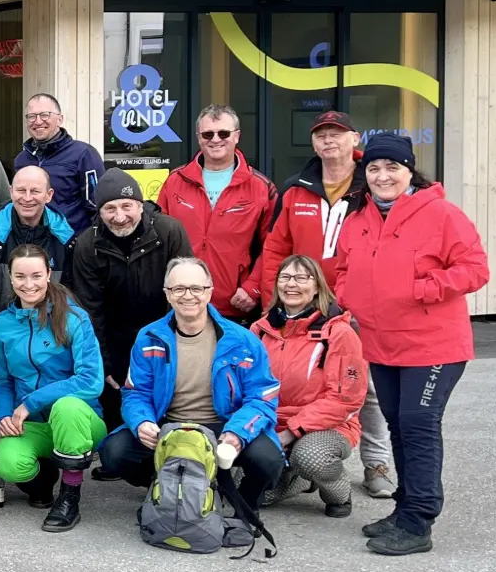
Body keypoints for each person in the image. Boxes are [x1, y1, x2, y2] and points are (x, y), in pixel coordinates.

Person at [334, 133, 489, 556]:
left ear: (409, 171)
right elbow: (343, 269)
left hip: (433, 346)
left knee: (418, 426)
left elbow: (475, 270)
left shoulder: (440, 214)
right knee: (398, 427)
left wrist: (422, 287)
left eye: (392, 168)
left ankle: (419, 521)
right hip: (381, 344)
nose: (383, 176)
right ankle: (404, 509)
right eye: (374, 168)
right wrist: (351, 296)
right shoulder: (359, 218)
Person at [246, 110, 395, 500]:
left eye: (337, 134)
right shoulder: (297, 191)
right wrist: (270, 303)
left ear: (354, 139)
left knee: (367, 389)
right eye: (322, 135)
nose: (329, 141)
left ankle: (376, 464)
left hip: (361, 303)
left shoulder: (374, 187)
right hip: (307, 302)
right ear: (314, 144)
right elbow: (276, 248)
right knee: (301, 380)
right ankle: (301, 461)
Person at [96, 257, 284, 516]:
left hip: (223, 424)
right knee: (113, 452)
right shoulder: (149, 337)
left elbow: (262, 397)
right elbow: (135, 392)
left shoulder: (242, 340)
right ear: (167, 295)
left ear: (209, 292)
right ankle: (167, 483)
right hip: (169, 423)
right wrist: (142, 423)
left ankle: (245, 502)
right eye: (178, 289)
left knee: (269, 460)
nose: (188, 296)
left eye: (196, 288)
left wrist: (237, 433)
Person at [0, 246, 105, 532]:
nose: (28, 284)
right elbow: (1, 379)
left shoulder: (74, 318)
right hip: (34, 425)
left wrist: (30, 402)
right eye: (20, 276)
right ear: (11, 278)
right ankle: (46, 477)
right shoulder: (3, 323)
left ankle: (69, 497)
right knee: (6, 463)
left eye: (36, 275)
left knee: (66, 406)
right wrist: (4, 414)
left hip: (80, 420)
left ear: (49, 274)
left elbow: (91, 379)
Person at [69, 168, 193, 433]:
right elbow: (90, 310)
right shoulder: (87, 244)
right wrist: (103, 363)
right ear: (99, 212)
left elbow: (185, 294)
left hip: (165, 329)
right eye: (110, 209)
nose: (120, 216)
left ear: (141, 205)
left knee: (167, 404)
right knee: (120, 417)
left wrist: (180, 345)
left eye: (127, 206)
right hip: (115, 337)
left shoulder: (170, 231)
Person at [250, 255, 367, 519]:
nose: (292, 284)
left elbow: (345, 400)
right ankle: (297, 478)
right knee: (250, 493)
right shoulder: (260, 329)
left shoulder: (338, 333)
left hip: (328, 426)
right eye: (285, 277)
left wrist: (291, 432)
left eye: (302, 278)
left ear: (317, 286)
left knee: (312, 456)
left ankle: (337, 491)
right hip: (272, 422)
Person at [157, 104, 278, 321]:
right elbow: (157, 239)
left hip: (234, 305)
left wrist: (253, 287)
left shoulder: (260, 187)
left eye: (223, 133)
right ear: (198, 137)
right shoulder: (175, 181)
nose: (215, 139)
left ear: (237, 136)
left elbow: (273, 246)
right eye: (207, 134)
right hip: (182, 302)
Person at [0, 165, 73, 312]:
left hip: (51, 323)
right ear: (11, 191)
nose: (27, 198)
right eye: (21, 190)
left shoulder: (65, 237)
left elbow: (67, 294)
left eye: (35, 191)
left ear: (49, 195)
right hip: (4, 323)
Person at [13, 93, 106, 233]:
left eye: (45, 115)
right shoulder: (21, 160)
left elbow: (98, 206)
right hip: (32, 246)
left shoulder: (84, 154)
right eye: (31, 116)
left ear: (60, 119)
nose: (38, 121)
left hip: (71, 244)